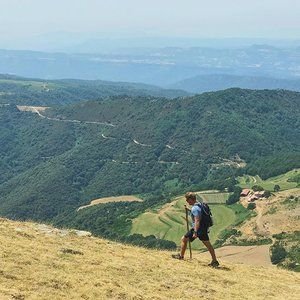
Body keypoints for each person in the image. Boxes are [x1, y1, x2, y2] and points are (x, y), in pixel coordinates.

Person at [172, 192, 219, 267]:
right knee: (208, 244)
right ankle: (214, 261)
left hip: (198, 229)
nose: (187, 201)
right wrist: (189, 210)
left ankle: (181, 256)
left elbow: (197, 220)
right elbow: (198, 213)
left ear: (191, 199)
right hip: (203, 228)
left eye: (187, 199)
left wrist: (195, 232)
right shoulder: (199, 204)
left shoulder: (195, 208)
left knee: (184, 239)